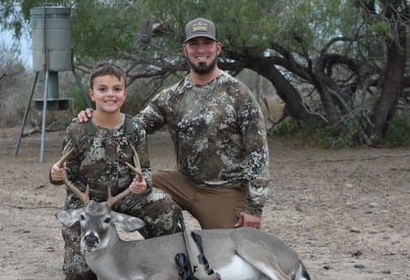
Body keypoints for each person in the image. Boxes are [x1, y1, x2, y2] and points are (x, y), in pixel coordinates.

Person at [75, 18, 269, 230]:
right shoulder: (172, 96)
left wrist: (254, 208)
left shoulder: (238, 94)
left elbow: (258, 153)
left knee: (226, 258)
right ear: (185, 49)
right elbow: (132, 128)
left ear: (218, 48)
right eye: (194, 44)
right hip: (182, 183)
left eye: (207, 43)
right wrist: (97, 117)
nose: (201, 49)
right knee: (127, 188)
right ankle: (160, 248)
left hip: (224, 190)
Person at [50, 61, 181, 280]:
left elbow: (145, 169)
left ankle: (164, 257)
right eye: (103, 89)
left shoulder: (135, 129)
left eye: (116, 89)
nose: (110, 95)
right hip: (87, 204)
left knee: (164, 204)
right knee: (80, 273)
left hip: (123, 198)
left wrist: (143, 183)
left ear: (125, 94)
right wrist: (54, 175)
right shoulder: (77, 130)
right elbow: (65, 174)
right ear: (92, 94)